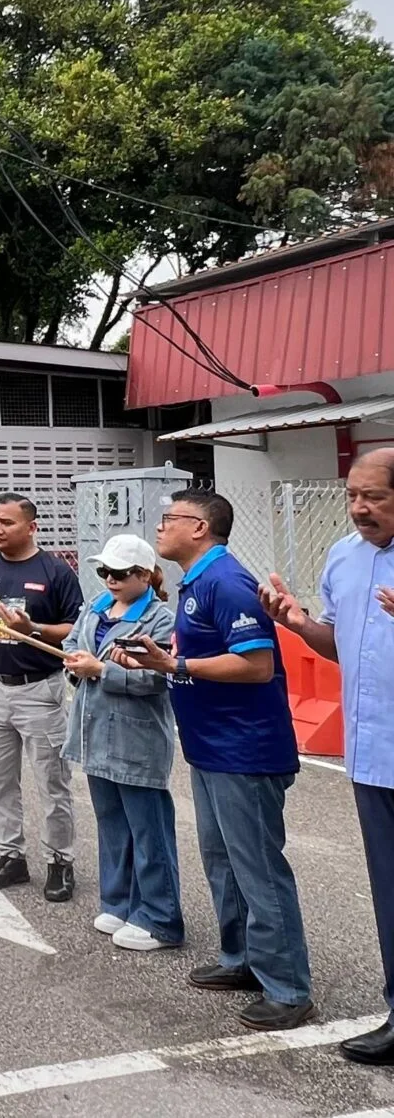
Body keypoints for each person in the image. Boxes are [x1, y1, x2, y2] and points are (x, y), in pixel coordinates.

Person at [122, 488, 314, 1031]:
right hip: (210, 747)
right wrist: (164, 661)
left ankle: (288, 988)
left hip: (243, 750)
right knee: (222, 860)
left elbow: (256, 665)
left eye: (170, 518)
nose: (160, 527)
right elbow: (202, 655)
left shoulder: (226, 581)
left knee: (258, 869)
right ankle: (242, 959)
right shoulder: (198, 580)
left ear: (200, 528)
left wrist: (176, 667)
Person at [259, 450, 394, 1063]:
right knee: (389, 892)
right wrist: (296, 622)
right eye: (352, 496)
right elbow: (339, 644)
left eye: (375, 497)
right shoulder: (343, 556)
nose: (360, 508)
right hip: (371, 755)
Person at [61, 535, 183, 952]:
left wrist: (100, 671)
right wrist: (76, 665)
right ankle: (119, 902)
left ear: (144, 575)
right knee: (112, 825)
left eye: (120, 572)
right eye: (104, 571)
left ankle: (160, 917)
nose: (110, 579)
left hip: (136, 739)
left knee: (149, 832)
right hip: (94, 734)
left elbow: (159, 677)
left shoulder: (160, 619)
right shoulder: (95, 607)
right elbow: (71, 645)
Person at [0, 493, 83, 901]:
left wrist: (32, 628)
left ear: (31, 527)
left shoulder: (55, 572)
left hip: (38, 689)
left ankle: (60, 861)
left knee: (52, 781)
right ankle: (11, 856)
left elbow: (73, 629)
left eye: (7, 522)